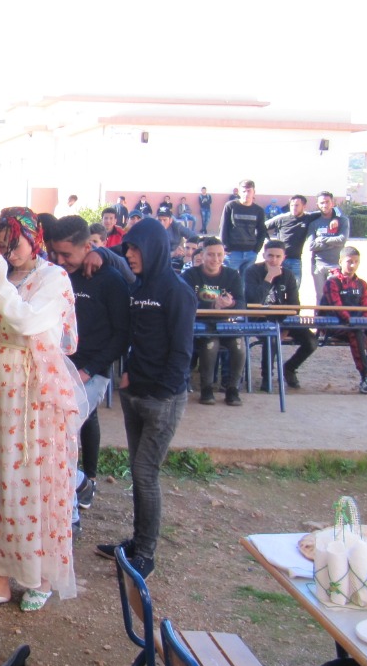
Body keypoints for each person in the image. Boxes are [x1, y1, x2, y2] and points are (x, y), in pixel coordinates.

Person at [0, 208, 85, 612]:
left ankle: (39, 576)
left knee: (33, 483)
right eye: (1, 245)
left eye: (14, 243)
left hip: (35, 396)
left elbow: (26, 322)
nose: (9, 252)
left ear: (34, 240)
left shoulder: (54, 279)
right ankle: (0, 580)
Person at [95, 218, 195, 578]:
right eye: (128, 249)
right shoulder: (137, 287)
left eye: (136, 248)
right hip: (134, 394)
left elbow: (182, 352)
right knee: (139, 474)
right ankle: (136, 543)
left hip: (161, 400)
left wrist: (162, 392)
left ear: (154, 249)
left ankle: (146, 554)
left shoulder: (177, 291)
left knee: (145, 473)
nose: (130, 255)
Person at [46, 215, 131, 520]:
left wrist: (89, 370)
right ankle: (81, 484)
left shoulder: (110, 281)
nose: (59, 260)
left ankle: (69, 517)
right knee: (49, 435)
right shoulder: (56, 275)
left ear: (87, 248)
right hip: (57, 368)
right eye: (55, 253)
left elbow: (122, 335)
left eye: (66, 254)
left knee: (60, 436)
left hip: (91, 373)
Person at [321, 246, 367, 394]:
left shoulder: (362, 284)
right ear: (340, 262)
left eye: (356, 262)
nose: (353, 265)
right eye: (349, 261)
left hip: (359, 325)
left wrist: (364, 324)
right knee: (356, 333)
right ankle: (366, 377)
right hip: (336, 325)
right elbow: (337, 308)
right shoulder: (332, 282)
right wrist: (355, 324)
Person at [182, 237, 246, 406]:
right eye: (211, 254)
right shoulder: (190, 275)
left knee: (239, 345)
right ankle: (207, 388)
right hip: (199, 325)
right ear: (202, 255)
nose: (215, 259)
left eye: (219, 255)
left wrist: (231, 304)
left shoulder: (232, 275)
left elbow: (242, 303)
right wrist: (212, 305)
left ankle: (233, 389)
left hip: (225, 324)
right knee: (211, 344)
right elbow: (185, 302)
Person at [245, 240, 316, 389]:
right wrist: (269, 278)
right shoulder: (252, 271)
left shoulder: (288, 275)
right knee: (271, 338)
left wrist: (287, 327)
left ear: (284, 257)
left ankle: (289, 368)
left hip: (283, 320)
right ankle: (267, 378)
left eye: (278, 256)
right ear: (264, 255)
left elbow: (294, 305)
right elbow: (254, 301)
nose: (274, 260)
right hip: (259, 319)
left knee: (311, 341)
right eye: (270, 256)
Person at [264, 194, 320, 287]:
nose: (294, 207)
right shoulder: (282, 218)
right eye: (292, 205)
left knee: (294, 288)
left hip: (295, 260)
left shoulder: (308, 217)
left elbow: (329, 211)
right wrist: (269, 242)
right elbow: (262, 227)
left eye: (297, 205)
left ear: (304, 206)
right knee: (275, 288)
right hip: (278, 260)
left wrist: (335, 219)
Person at [308, 191, 349, 304]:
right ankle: (319, 316)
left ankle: (336, 316)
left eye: (327, 202)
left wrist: (322, 239)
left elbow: (342, 240)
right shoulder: (314, 223)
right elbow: (311, 246)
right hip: (318, 265)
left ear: (332, 203)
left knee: (336, 297)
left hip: (336, 265)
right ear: (317, 205)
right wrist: (332, 243)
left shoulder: (342, 220)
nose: (325, 205)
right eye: (322, 203)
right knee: (320, 297)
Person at [219, 179, 265, 273]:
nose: (246, 194)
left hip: (250, 253)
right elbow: (223, 228)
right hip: (232, 253)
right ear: (239, 192)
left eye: (249, 191)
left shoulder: (258, 210)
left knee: (246, 280)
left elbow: (262, 231)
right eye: (243, 191)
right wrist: (225, 247)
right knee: (229, 279)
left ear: (254, 192)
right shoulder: (230, 206)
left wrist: (256, 249)